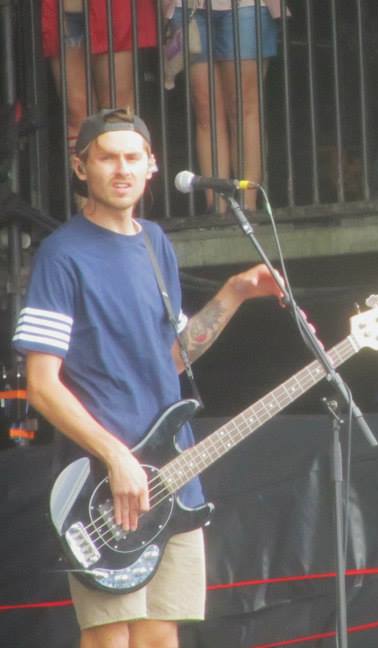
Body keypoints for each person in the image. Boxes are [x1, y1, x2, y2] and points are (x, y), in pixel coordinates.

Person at [12, 108, 284, 647]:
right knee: (111, 636)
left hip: (171, 474)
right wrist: (117, 458)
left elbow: (171, 358)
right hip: (101, 482)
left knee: (160, 635)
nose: (122, 169)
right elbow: (41, 385)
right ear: (81, 167)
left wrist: (233, 294)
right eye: (107, 158)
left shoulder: (154, 243)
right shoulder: (61, 255)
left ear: (151, 165)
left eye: (132, 157)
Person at [167, 0, 283, 212]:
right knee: (205, 109)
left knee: (243, 106)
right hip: (188, 7)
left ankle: (247, 208)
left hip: (246, 5)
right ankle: (217, 209)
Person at [42, 0, 158, 152]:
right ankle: (82, 167)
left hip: (113, 8)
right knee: (77, 114)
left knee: (117, 112)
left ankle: (118, 165)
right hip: (63, 9)